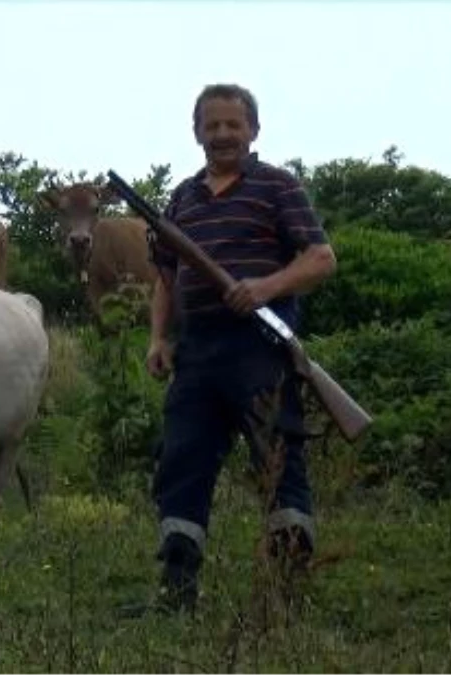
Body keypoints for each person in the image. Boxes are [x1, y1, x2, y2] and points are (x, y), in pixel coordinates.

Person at [142, 83, 338, 613]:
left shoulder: (277, 186)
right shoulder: (181, 198)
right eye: (213, 126)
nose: (223, 135)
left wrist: (264, 289)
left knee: (277, 458)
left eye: (233, 125)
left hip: (260, 347)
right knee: (182, 461)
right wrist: (159, 338)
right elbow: (165, 278)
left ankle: (288, 592)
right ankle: (177, 591)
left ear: (254, 130)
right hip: (196, 353)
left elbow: (320, 259)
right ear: (196, 132)